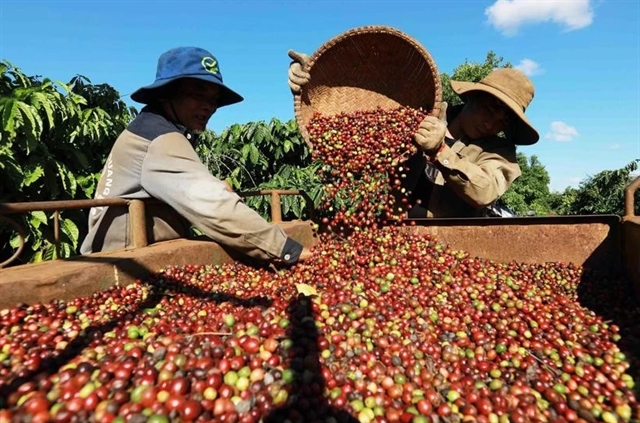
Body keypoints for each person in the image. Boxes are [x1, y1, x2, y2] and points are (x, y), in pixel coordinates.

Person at [80, 46, 312, 265]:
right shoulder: (158, 138)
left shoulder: (154, 129)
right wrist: (286, 249)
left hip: (138, 255)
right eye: (198, 95)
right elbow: (215, 206)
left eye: (213, 100)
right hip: (125, 262)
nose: (208, 107)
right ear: (165, 94)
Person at [287, 50, 540, 218]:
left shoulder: (501, 153)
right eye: (490, 108)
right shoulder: (423, 112)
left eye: (503, 121)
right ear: (473, 96)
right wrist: (317, 79)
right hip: (392, 228)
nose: (491, 123)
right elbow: (363, 116)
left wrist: (441, 151)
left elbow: (485, 192)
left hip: (451, 244)